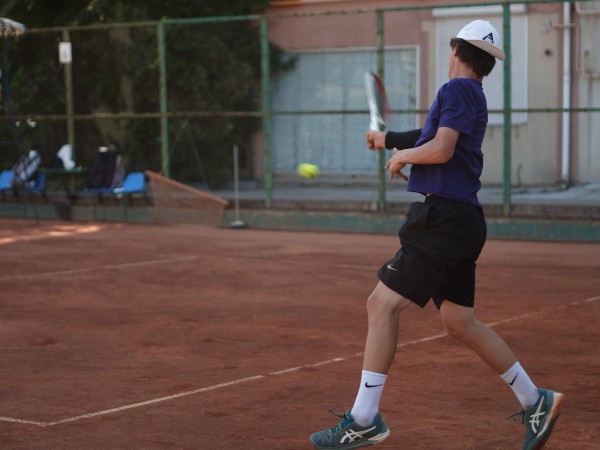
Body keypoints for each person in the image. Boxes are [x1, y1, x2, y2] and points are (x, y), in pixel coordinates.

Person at [309, 20, 563, 450]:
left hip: (442, 220)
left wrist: (403, 156)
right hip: (463, 221)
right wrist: (387, 140)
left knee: (380, 305)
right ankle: (534, 399)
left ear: (456, 50)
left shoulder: (456, 90)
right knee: (459, 321)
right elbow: (433, 137)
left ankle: (364, 419)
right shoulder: (471, 94)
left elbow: (439, 149)